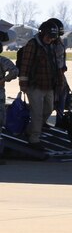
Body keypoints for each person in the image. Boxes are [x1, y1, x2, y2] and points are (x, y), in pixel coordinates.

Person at [16, 20, 63, 150]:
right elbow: (25, 64)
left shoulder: (52, 46)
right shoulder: (32, 45)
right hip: (34, 85)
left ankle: (29, 130)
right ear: (42, 33)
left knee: (48, 109)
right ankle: (34, 139)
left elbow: (55, 64)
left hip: (48, 85)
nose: (50, 39)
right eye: (49, 36)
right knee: (36, 113)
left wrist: (59, 81)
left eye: (53, 37)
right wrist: (23, 83)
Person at [0, 40, 20, 163]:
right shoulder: (2, 60)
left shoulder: (2, 61)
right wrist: (4, 79)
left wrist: (3, 80)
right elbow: (14, 71)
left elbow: (14, 71)